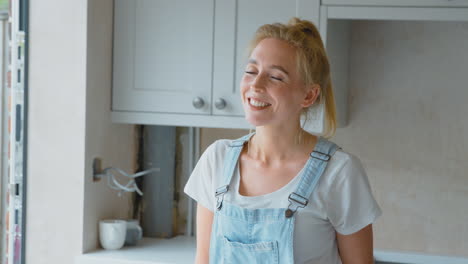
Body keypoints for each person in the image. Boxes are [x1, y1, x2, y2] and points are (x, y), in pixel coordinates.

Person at [184, 17, 382, 264]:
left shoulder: (339, 172)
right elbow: (203, 259)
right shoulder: (217, 159)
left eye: (275, 77)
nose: (255, 85)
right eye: (251, 71)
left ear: (309, 95)